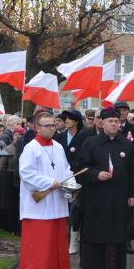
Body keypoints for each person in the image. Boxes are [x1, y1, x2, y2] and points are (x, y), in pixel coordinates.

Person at [77, 107, 134, 269]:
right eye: (110, 121)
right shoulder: (91, 143)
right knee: (98, 231)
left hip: (119, 196)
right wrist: (96, 174)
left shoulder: (127, 144)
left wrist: (133, 195)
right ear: (102, 123)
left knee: (118, 231)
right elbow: (80, 168)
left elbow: (133, 172)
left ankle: (116, 267)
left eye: (116, 121)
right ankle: (97, 267)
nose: (113, 124)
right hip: (96, 197)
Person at [18, 111, 76, 269]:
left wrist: (70, 182)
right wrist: (50, 182)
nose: (52, 129)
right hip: (38, 205)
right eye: (47, 125)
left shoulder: (58, 147)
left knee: (56, 242)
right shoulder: (31, 148)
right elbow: (26, 174)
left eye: (54, 125)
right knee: (40, 243)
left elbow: (66, 169)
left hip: (56, 202)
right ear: (36, 128)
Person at [54, 109, 84, 254]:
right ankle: (61, 239)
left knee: (76, 209)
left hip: (79, 177)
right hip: (62, 179)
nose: (66, 121)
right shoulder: (59, 137)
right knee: (63, 207)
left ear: (77, 121)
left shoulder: (84, 136)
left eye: (69, 118)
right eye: (65, 118)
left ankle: (73, 241)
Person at [0, 126, 25, 234]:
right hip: (12, 182)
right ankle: (12, 228)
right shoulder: (8, 149)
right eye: (16, 134)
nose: (17, 136)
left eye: (20, 134)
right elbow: (2, 165)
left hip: (23, 183)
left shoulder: (26, 148)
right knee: (13, 207)